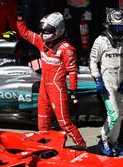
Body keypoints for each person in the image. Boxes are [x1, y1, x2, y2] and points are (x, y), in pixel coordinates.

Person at [17, 9, 86, 147]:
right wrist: (20, 19)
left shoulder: (67, 49)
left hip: (57, 89)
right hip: (44, 86)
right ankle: (47, 147)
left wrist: (73, 91)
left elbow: (73, 71)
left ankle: (82, 146)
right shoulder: (42, 43)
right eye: (42, 30)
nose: (42, 34)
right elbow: (25, 33)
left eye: (46, 31)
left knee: (64, 123)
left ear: (58, 30)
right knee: (42, 121)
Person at [89, 9, 123, 156]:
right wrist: (97, 79)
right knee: (114, 115)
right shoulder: (101, 40)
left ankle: (114, 143)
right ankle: (103, 140)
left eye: (121, 27)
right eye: (115, 27)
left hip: (122, 80)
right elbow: (92, 61)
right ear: (108, 26)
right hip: (107, 82)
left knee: (120, 115)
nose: (118, 30)